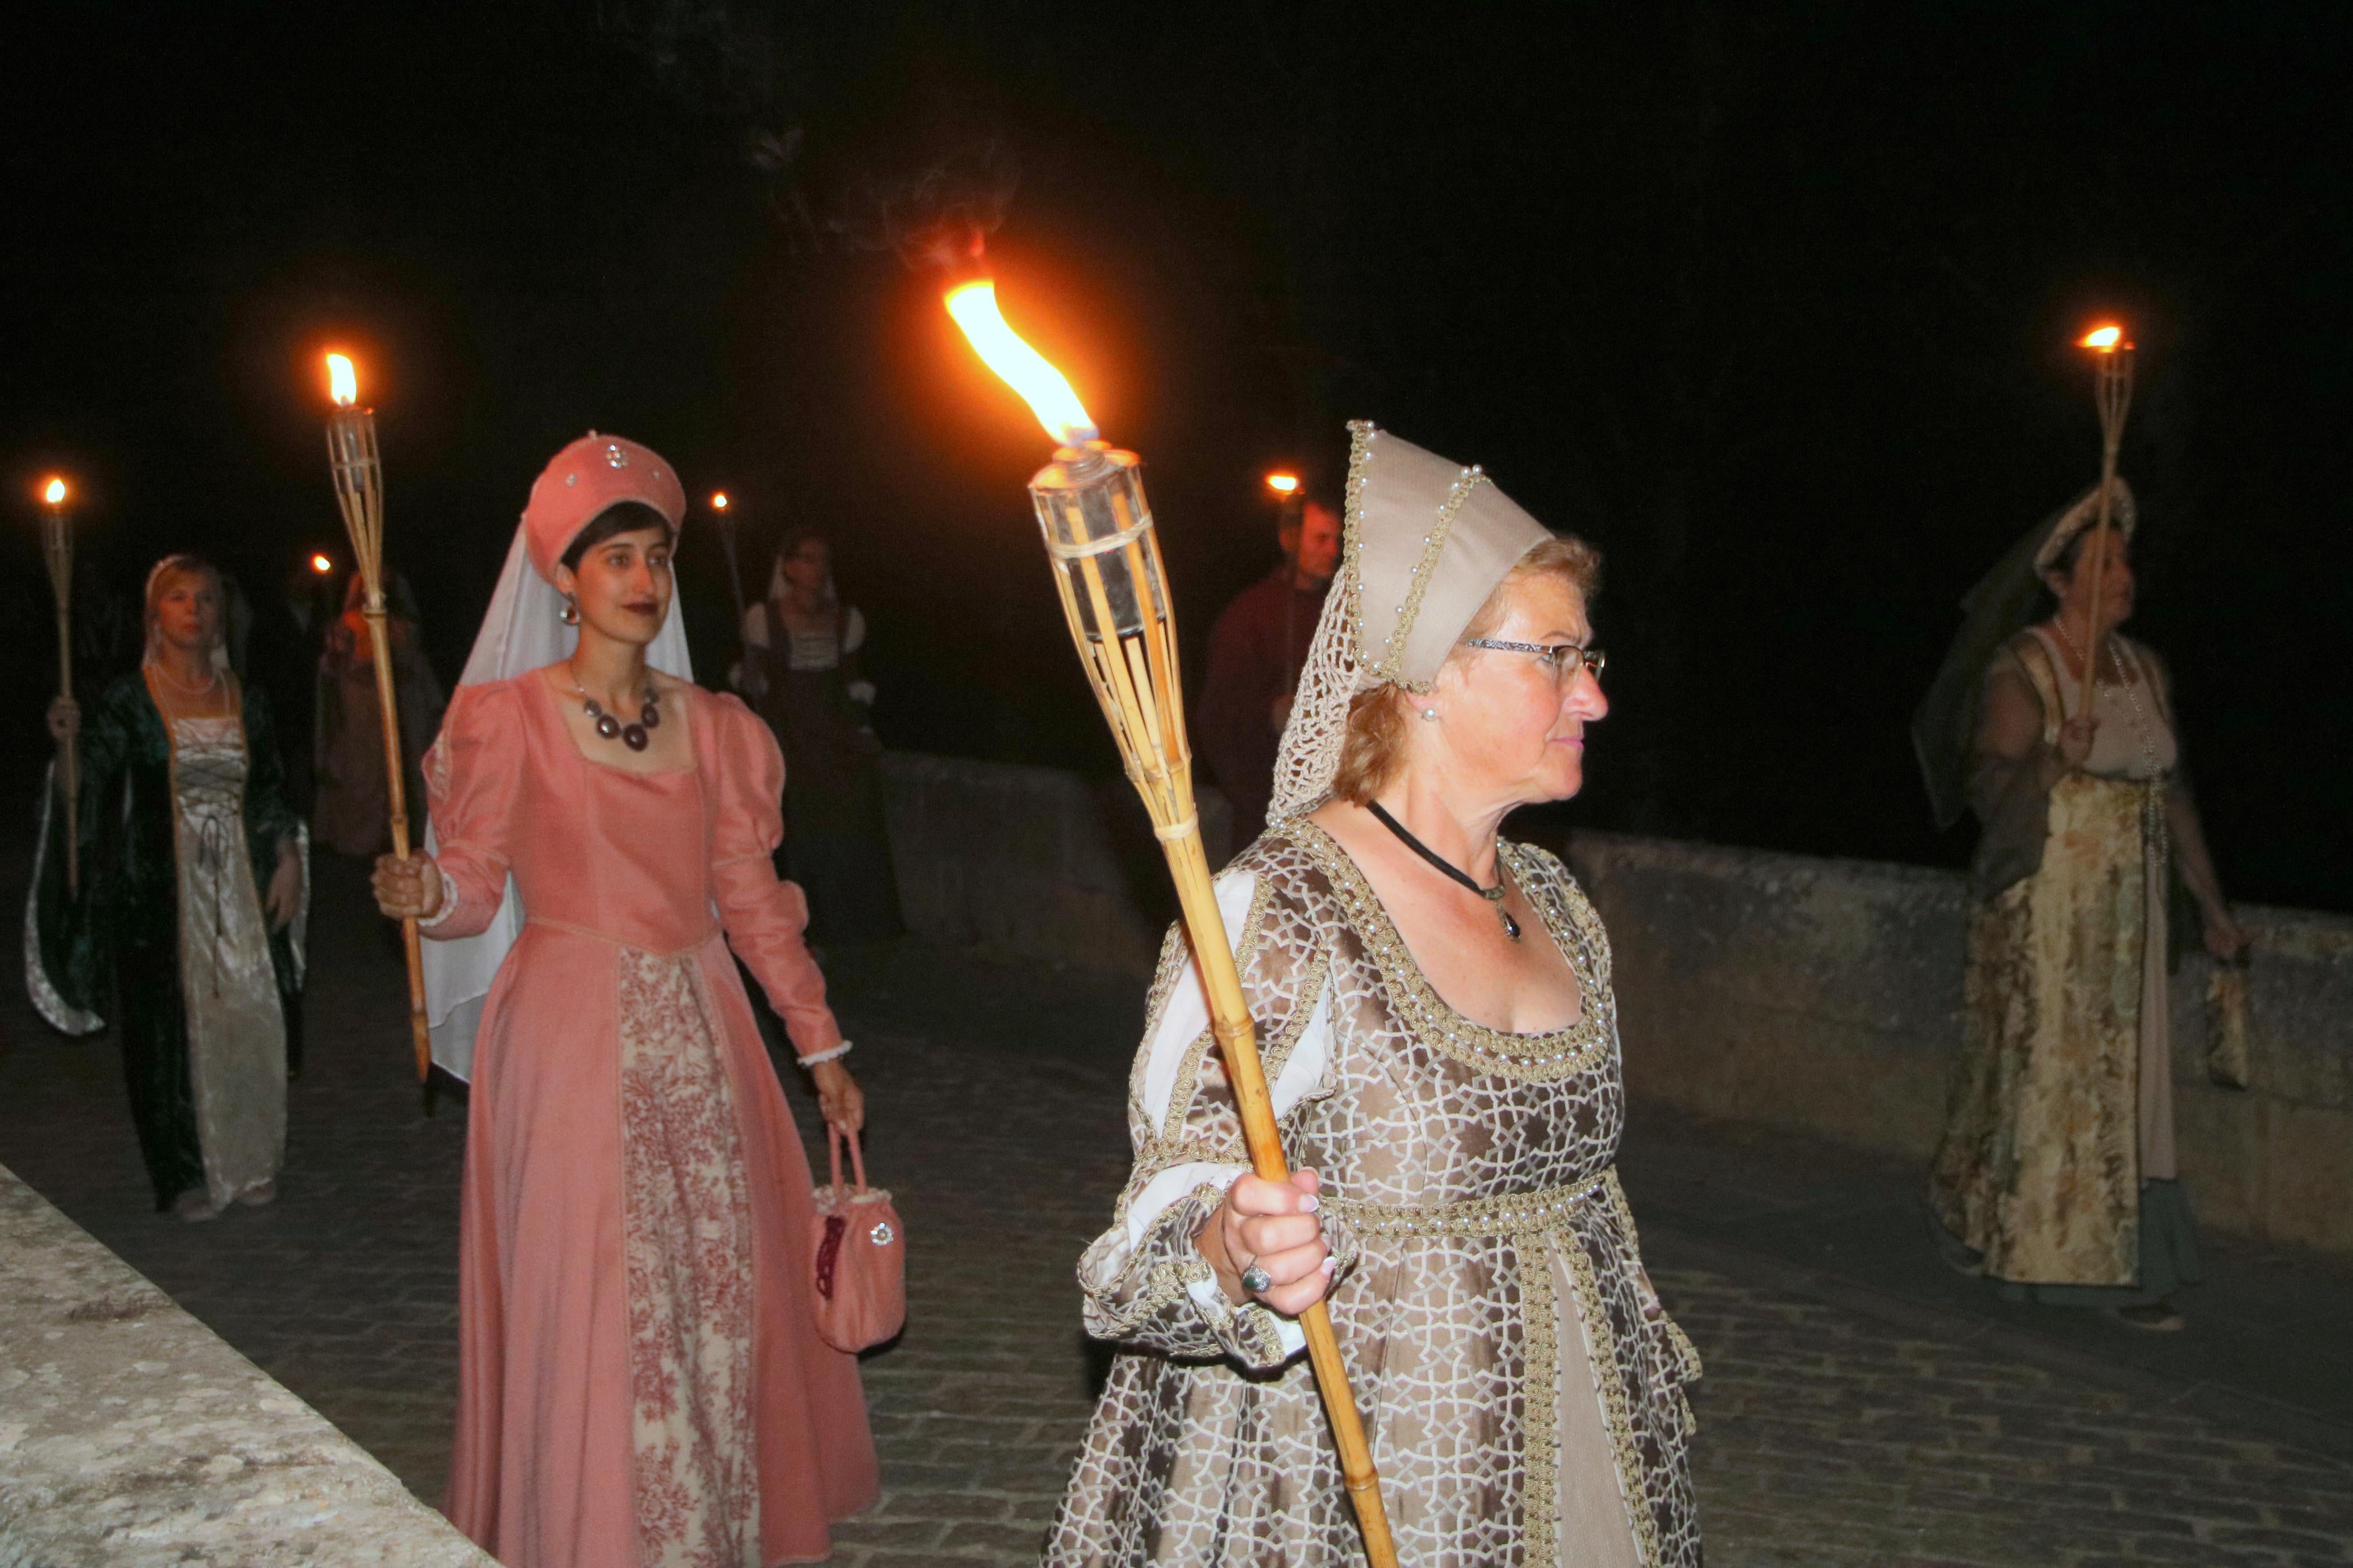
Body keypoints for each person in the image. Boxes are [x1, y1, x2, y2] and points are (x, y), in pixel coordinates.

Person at [1046, 422, 1702, 1566]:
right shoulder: (1282, 910)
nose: (1589, 697)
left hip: (1583, 1444)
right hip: (1369, 1471)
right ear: (1429, 677)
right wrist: (1229, 1242)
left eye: (1588, 657)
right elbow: (1158, 1216)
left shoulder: (1554, 899)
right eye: (1554, 656)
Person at [370, 433, 878, 1567]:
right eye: (616, 562)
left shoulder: (714, 729)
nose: (644, 583)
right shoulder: (504, 721)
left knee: (710, 1289)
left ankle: (706, 1519)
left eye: (655, 558)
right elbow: (474, 894)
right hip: (563, 1037)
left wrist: (818, 1041)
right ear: (564, 577)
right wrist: (428, 891)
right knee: (598, 1296)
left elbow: (751, 904)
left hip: (704, 1040)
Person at [1917, 479, 2245, 1331]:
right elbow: (1990, 785)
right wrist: (2050, 762)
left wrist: (2210, 905)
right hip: (2053, 905)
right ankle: (2057, 1253)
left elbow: (2170, 797)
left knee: (2130, 1083)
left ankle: (2130, 1253)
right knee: (2055, 1075)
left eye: (2122, 559)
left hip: (2129, 910)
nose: (2120, 574)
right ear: (2059, 581)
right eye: (2099, 562)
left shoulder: (2143, 669)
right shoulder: (2023, 667)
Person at [30, 554, 308, 1219]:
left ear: (221, 614)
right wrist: (66, 744)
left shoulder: (248, 697)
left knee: (249, 1014)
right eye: (178, 598)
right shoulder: (131, 700)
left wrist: (288, 859)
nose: (194, 609)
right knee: (167, 1031)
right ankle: (182, 1168)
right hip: (160, 887)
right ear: (156, 616)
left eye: (206, 598)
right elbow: (84, 792)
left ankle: (249, 1156)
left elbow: (268, 790)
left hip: (240, 885)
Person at [737, 527, 903, 946]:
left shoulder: (844, 618)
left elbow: (852, 680)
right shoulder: (765, 618)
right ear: (789, 567)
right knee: (798, 830)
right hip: (790, 737)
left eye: (822, 559)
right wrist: (753, 678)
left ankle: (854, 929)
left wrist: (864, 729)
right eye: (808, 558)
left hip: (834, 735)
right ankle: (799, 932)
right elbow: (758, 677)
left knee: (849, 827)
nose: (818, 567)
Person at [1198, 494, 1342, 845]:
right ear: (1289, 540)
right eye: (1321, 539)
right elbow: (1216, 715)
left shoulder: (1342, 615)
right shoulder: (1249, 616)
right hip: (1264, 811)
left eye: (1337, 540)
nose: (1333, 550)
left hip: (1332, 810)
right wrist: (1271, 714)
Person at [313, 570, 445, 858]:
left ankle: (406, 842)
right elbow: (332, 675)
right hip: (361, 716)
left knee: (404, 773)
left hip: (404, 713)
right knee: (363, 777)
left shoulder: (404, 628)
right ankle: (360, 846)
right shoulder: (346, 627)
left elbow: (419, 671)